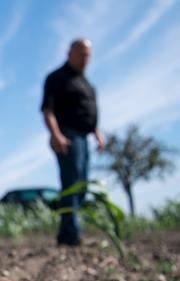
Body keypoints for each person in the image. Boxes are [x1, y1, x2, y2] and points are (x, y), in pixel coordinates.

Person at [41, 38, 105, 246]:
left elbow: (87, 113)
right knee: (72, 184)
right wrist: (56, 135)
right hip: (68, 136)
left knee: (83, 186)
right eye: (81, 53)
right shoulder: (57, 78)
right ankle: (72, 235)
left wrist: (96, 132)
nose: (85, 58)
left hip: (84, 137)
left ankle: (67, 234)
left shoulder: (87, 84)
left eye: (88, 54)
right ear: (69, 53)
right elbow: (47, 109)